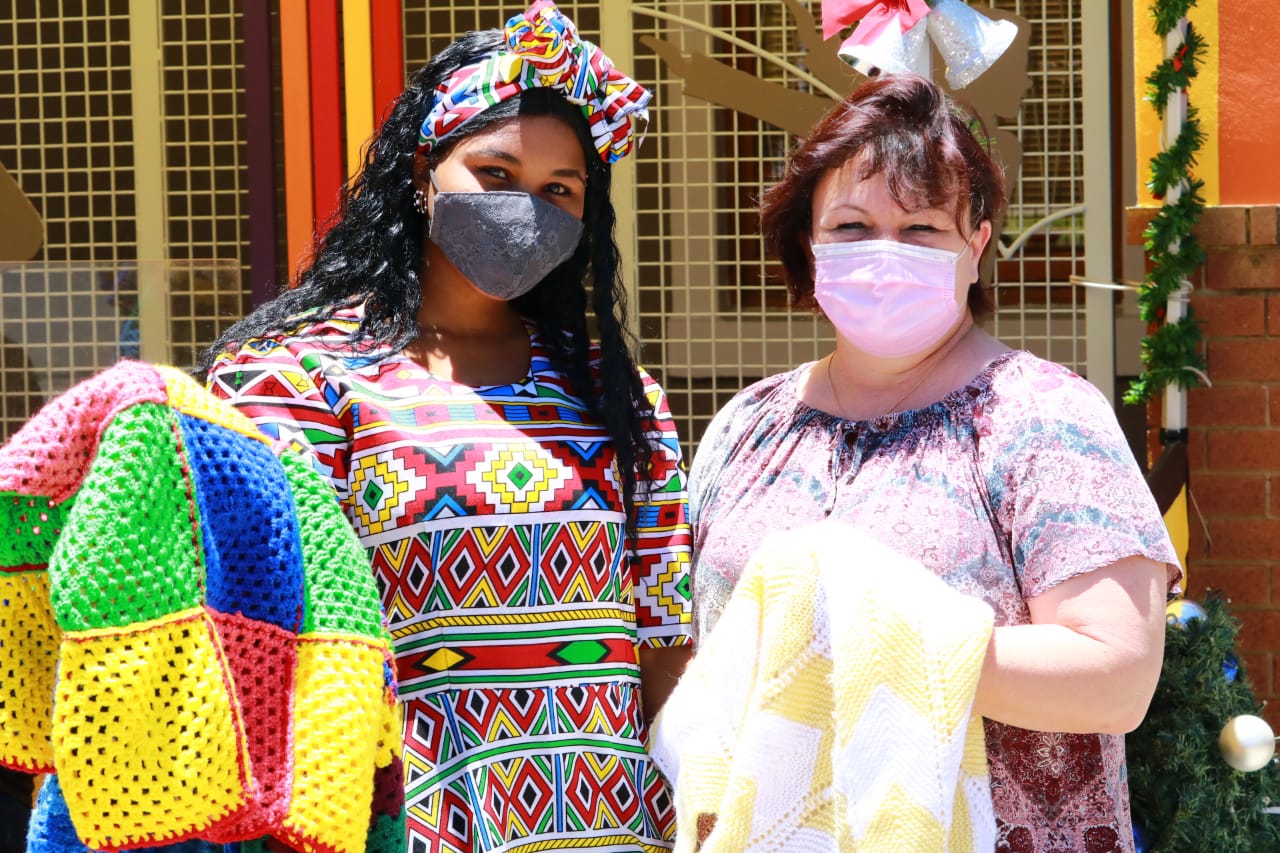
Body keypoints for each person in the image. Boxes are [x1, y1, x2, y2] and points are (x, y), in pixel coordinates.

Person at [199, 3, 693, 851]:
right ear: (423, 173)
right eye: (494, 175)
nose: (524, 208)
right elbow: (260, 648)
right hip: (397, 825)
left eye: (559, 190)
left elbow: (664, 646)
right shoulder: (297, 378)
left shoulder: (620, 395)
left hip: (616, 828)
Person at [687, 74, 1179, 853]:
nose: (884, 251)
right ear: (808, 245)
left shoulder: (1044, 417)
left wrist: (863, 633)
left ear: (976, 246)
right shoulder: (745, 426)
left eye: (920, 228)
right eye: (850, 226)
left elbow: (1115, 675)